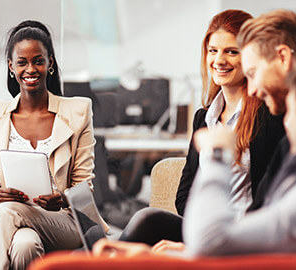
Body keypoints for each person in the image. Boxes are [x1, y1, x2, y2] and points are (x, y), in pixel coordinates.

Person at [93, 46, 296, 257]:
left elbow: (212, 241)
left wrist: (217, 156)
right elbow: (256, 249)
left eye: (292, 107)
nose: (285, 118)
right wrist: (159, 258)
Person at [118, 9, 285, 246]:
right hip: (206, 228)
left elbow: (273, 195)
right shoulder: (204, 117)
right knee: (147, 219)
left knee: (143, 225)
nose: (219, 60)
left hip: (246, 232)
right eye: (213, 51)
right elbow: (185, 193)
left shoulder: (269, 116)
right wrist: (201, 232)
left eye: (231, 52)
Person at [0, 20, 103, 270]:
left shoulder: (77, 111)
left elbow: (84, 188)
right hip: (14, 219)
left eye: (38, 60)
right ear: (11, 66)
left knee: (6, 213)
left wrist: (62, 198)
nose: (30, 69)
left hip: (64, 221)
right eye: (22, 62)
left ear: (51, 64)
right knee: (25, 245)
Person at [236, 9, 296, 211]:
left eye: (253, 74)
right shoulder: (288, 142)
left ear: (283, 57)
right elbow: (258, 214)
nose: (251, 90)